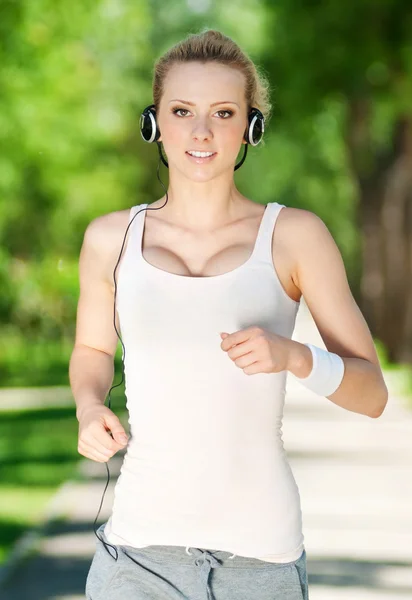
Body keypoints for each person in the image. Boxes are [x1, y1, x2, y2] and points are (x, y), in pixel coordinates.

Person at [70, 28, 388, 600]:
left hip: (259, 563)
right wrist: (90, 407)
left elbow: (372, 393)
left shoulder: (294, 237)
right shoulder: (110, 240)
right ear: (154, 123)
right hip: (136, 559)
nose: (201, 131)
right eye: (182, 110)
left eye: (222, 112)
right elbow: (93, 349)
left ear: (251, 127)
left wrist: (293, 356)